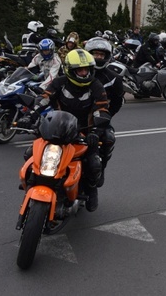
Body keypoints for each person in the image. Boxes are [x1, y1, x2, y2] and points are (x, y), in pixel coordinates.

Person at [31, 49, 111, 212]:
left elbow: (102, 108)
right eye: (80, 70)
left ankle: (91, 189)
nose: (84, 73)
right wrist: (32, 113)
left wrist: (95, 132)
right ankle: (32, 183)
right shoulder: (59, 82)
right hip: (57, 128)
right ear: (70, 70)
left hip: (85, 130)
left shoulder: (96, 85)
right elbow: (45, 97)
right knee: (30, 154)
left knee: (93, 163)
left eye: (86, 69)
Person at [85, 37, 125, 117]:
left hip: (99, 119)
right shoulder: (80, 73)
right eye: (96, 53)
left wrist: (106, 116)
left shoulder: (114, 78)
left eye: (102, 54)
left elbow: (117, 102)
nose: (99, 57)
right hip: (77, 118)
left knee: (107, 130)